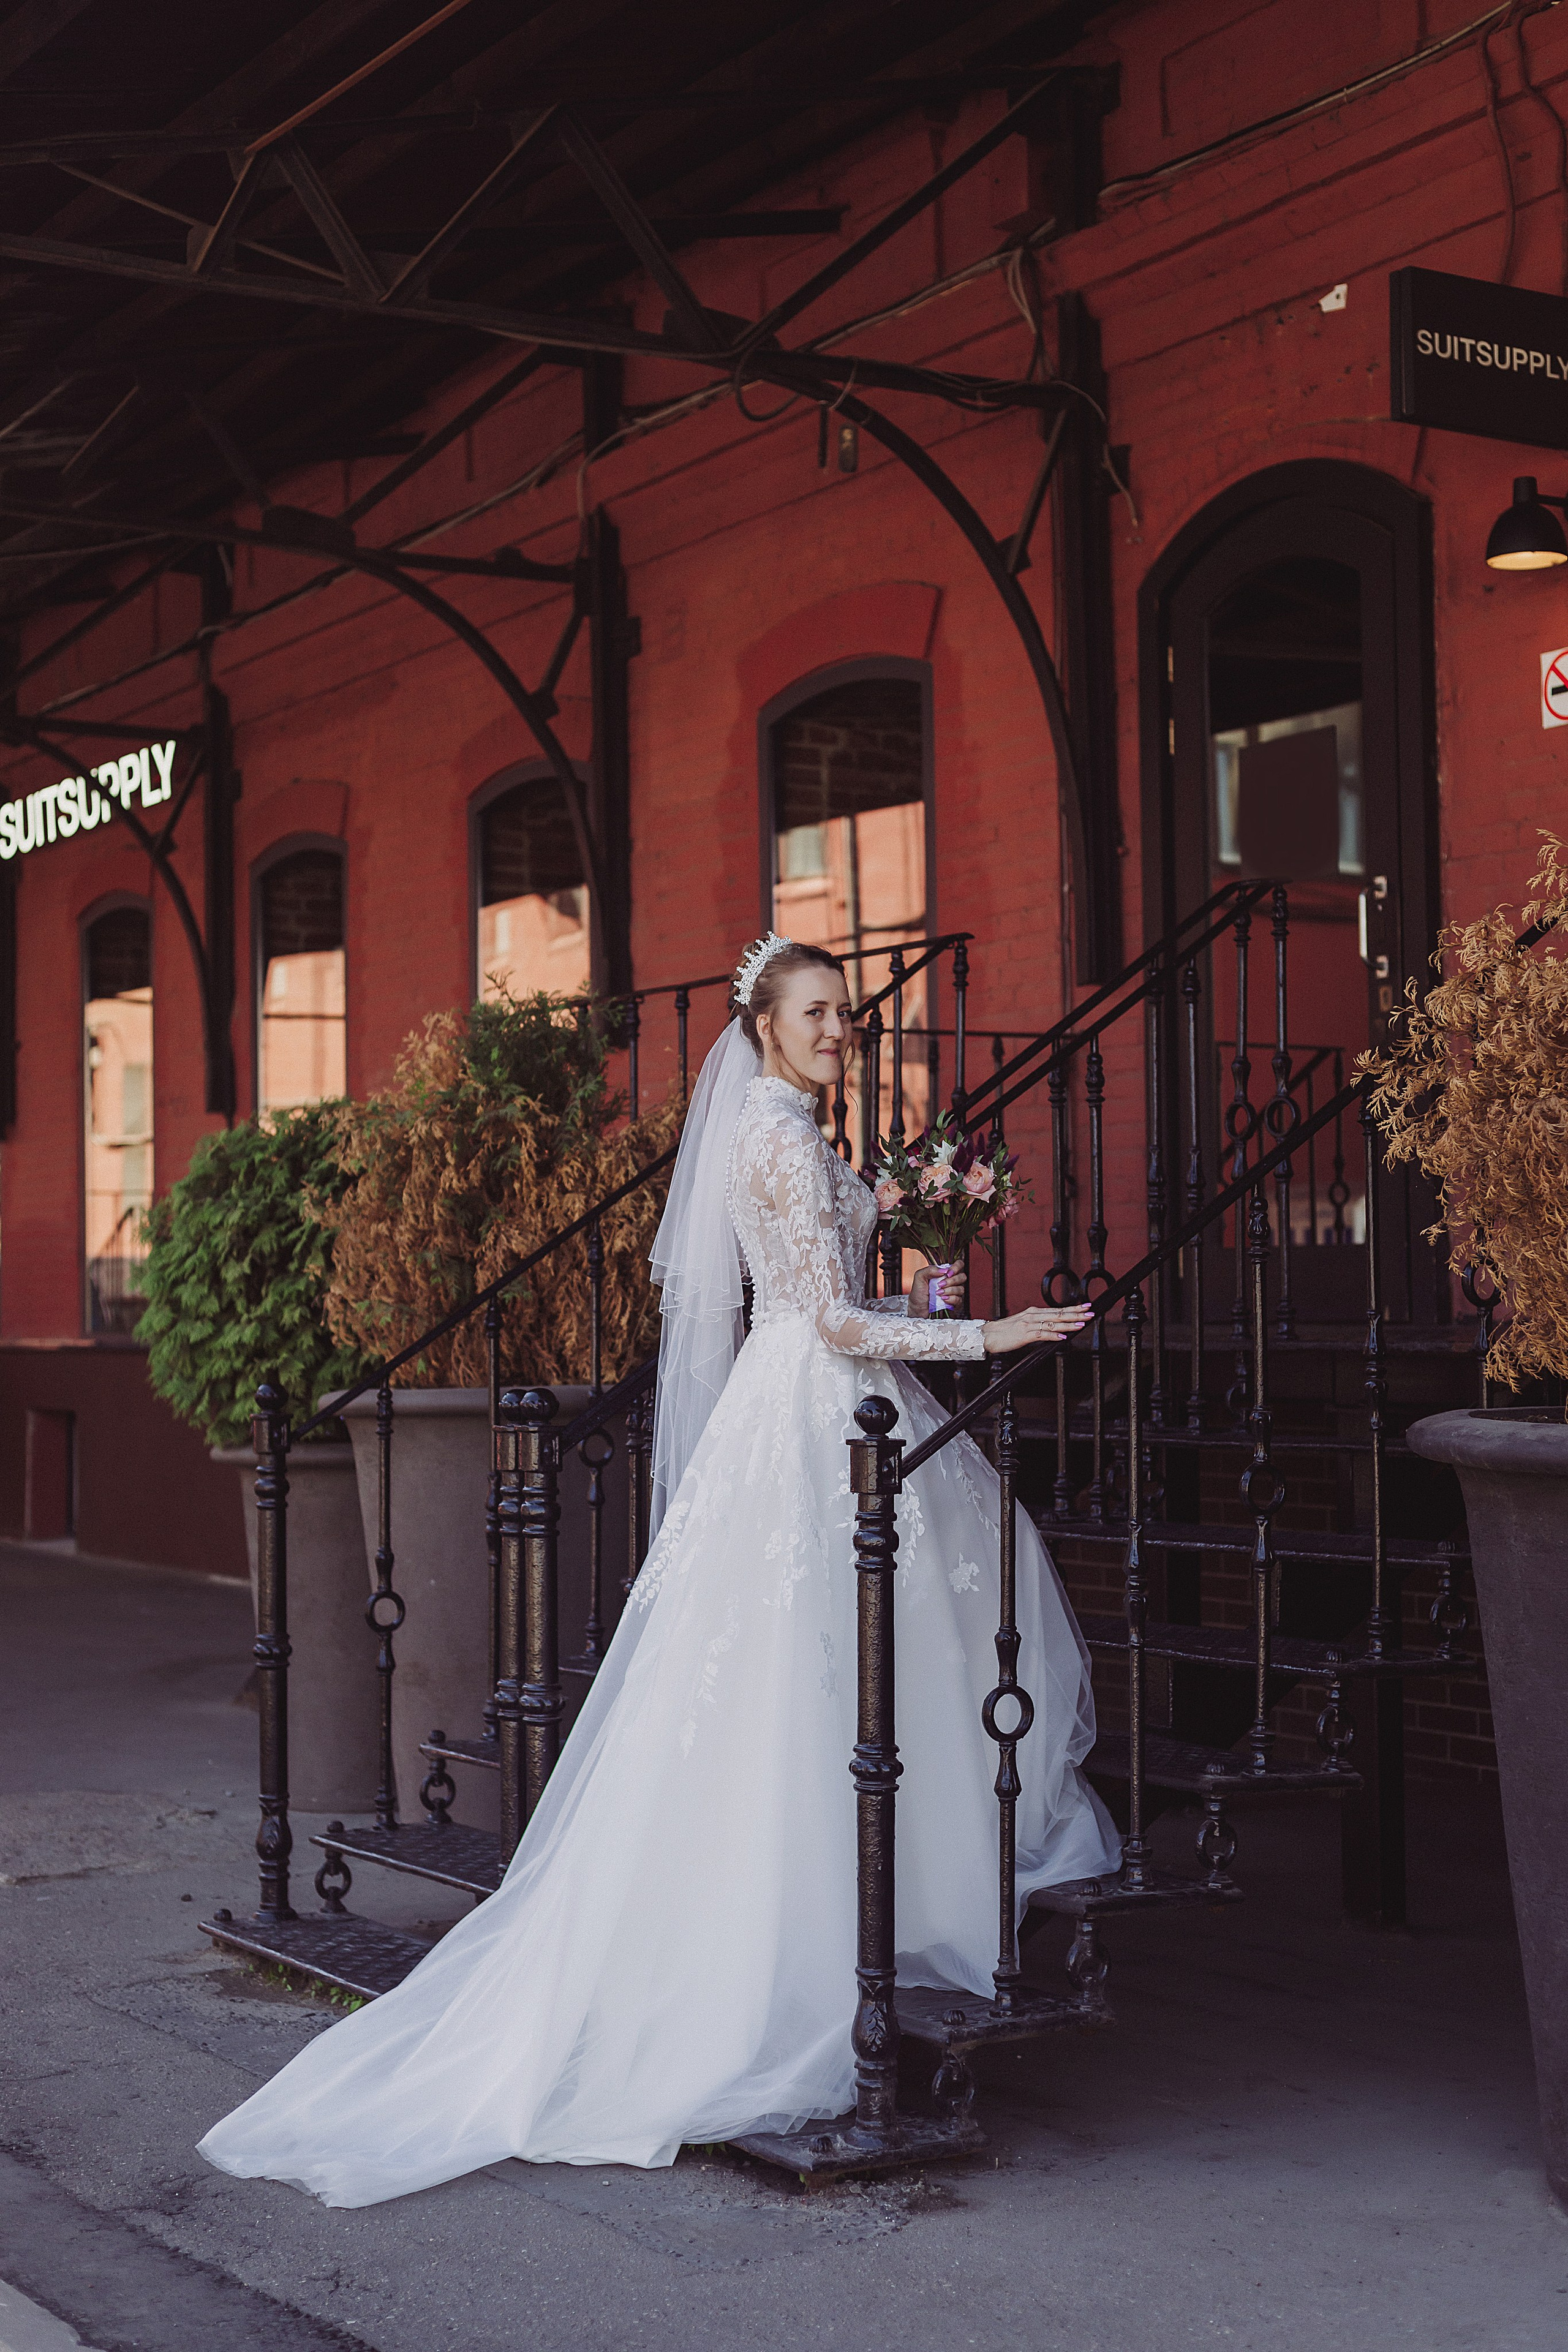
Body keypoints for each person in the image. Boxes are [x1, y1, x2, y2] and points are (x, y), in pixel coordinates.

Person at [198, 935, 1120, 2205]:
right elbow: (833, 1320)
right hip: (818, 1403)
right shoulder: (779, 1139)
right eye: (815, 1012)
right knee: (823, 1672)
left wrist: (898, 1214)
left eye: (844, 1010)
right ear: (760, 1027)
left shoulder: (791, 1132)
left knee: (852, 1666)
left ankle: (872, 1912)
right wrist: (986, 1330)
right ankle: (802, 1949)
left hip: (809, 1405)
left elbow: (829, 1265)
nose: (838, 1027)